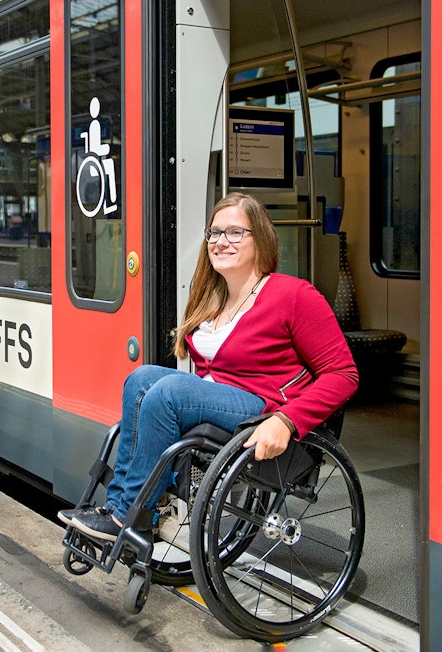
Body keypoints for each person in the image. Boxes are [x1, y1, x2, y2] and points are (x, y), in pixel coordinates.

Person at [61, 192, 358, 541]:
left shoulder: (293, 295)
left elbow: (344, 374)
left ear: (260, 238)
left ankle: (129, 514)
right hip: (224, 398)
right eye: (214, 233)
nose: (221, 242)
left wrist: (287, 421)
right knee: (140, 379)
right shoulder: (212, 296)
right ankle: (122, 507)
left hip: (260, 405)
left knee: (168, 394)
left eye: (235, 233)